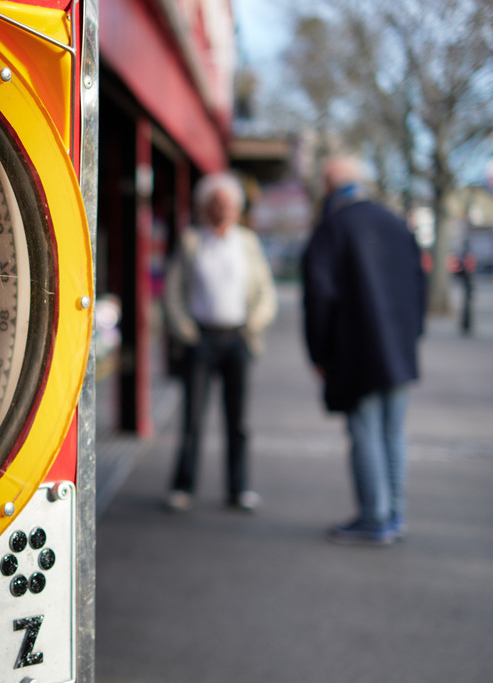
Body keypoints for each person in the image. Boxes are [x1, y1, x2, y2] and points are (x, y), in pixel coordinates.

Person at [301, 156, 426, 546]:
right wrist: (411, 338)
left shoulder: (333, 227)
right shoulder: (394, 223)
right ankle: (394, 514)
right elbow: (419, 288)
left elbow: (319, 297)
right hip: (399, 352)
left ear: (328, 183)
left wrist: (319, 354)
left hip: (355, 352)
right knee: (392, 433)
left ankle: (375, 517)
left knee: (366, 433)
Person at [163, 172, 277, 512]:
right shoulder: (191, 241)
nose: (223, 210)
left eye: (228, 205)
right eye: (216, 205)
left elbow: (265, 292)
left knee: (238, 421)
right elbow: (172, 293)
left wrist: (253, 325)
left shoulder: (248, 243)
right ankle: (183, 486)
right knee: (193, 419)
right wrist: (186, 331)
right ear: (205, 208)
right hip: (201, 340)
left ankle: (239, 488)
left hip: (238, 339)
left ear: (237, 209)